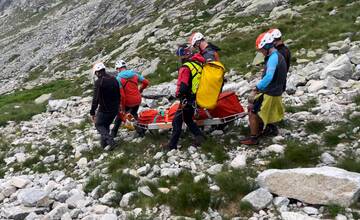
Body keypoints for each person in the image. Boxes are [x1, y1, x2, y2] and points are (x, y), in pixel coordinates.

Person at [240, 32, 287, 145]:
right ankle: (270, 128)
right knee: (263, 110)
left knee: (253, 111)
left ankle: (254, 138)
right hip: (276, 91)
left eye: (261, 49)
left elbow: (269, 76)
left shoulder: (273, 58)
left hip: (270, 92)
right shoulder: (277, 55)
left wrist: (256, 88)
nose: (260, 52)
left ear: (266, 46)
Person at [166, 44, 206, 150]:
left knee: (176, 121)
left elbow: (183, 86)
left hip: (187, 99)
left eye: (180, 56)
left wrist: (178, 94)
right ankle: (199, 136)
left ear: (183, 56)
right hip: (196, 97)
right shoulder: (197, 65)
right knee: (188, 119)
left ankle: (172, 145)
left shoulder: (185, 68)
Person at [110, 59, 149, 138]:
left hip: (128, 101)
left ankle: (113, 134)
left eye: (117, 69)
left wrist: (123, 108)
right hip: (138, 100)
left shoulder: (118, 79)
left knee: (120, 116)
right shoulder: (134, 74)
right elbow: (146, 82)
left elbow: (122, 96)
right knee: (133, 114)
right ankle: (141, 131)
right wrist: (140, 89)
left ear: (118, 68)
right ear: (125, 67)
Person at [263, 28, 292, 136]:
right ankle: (277, 120)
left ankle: (272, 125)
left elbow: (276, 70)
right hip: (281, 82)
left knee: (271, 104)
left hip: (276, 83)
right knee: (276, 103)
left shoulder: (279, 53)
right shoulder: (286, 50)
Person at [90, 62, 120, 150]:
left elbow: (95, 99)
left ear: (97, 72)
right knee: (105, 125)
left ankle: (111, 141)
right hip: (115, 108)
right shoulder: (114, 79)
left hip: (105, 109)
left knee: (98, 125)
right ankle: (104, 145)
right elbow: (119, 94)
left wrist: (92, 112)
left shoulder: (99, 82)